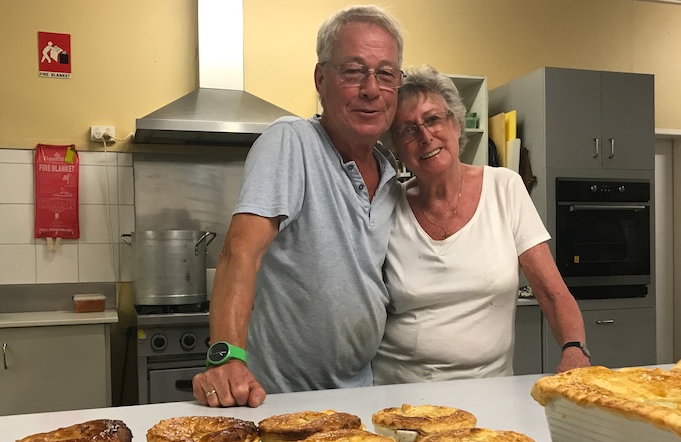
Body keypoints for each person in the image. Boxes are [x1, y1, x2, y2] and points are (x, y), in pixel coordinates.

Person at [192, 5, 404, 407]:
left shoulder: (391, 174)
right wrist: (227, 357)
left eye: (385, 74)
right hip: (282, 401)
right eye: (354, 71)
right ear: (321, 79)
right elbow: (240, 252)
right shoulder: (292, 142)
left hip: (362, 394)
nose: (372, 89)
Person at [372, 66, 590, 385]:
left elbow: (552, 293)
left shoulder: (505, 188)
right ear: (396, 148)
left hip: (489, 388)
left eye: (433, 119)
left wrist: (575, 350)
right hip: (400, 391)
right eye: (407, 130)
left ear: (457, 124)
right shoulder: (388, 204)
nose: (425, 136)